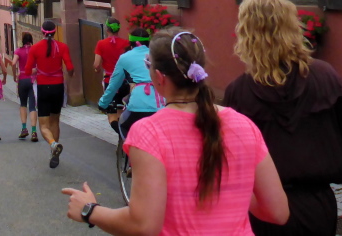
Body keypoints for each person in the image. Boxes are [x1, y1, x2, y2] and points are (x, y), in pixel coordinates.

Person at [63, 27, 289, 234]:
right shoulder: (243, 125)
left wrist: (90, 211)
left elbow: (143, 224)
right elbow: (278, 211)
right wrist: (232, 191)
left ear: (159, 76)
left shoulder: (149, 133)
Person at [225, 0, 342, 235]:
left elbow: (231, 159)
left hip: (264, 207)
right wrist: (329, 164)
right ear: (292, 26)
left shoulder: (238, 92)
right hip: (316, 203)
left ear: (246, 33)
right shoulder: (325, 76)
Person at [26, 20, 74, 168]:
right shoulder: (62, 47)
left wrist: (36, 70)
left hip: (43, 88)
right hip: (58, 87)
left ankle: (53, 144)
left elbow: (27, 70)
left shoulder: (35, 48)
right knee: (55, 122)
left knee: (43, 126)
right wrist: (69, 76)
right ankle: (54, 152)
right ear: (55, 32)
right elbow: (70, 67)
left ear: (42, 32)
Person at [98, 28, 161, 137]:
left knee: (124, 127)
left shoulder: (125, 57)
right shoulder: (159, 55)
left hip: (137, 104)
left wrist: (103, 103)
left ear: (131, 43)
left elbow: (114, 85)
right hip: (160, 105)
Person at [93, 17, 131, 131]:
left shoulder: (101, 44)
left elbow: (96, 64)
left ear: (107, 29)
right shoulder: (126, 43)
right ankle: (123, 136)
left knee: (111, 114)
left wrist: (97, 70)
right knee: (121, 113)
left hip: (110, 82)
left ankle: (120, 134)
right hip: (124, 82)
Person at [11, 32, 38, 141]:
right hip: (32, 80)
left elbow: (13, 63)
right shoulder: (35, 50)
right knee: (32, 106)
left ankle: (24, 129)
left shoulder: (18, 51)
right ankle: (34, 132)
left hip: (22, 79)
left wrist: (14, 75)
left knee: (23, 104)